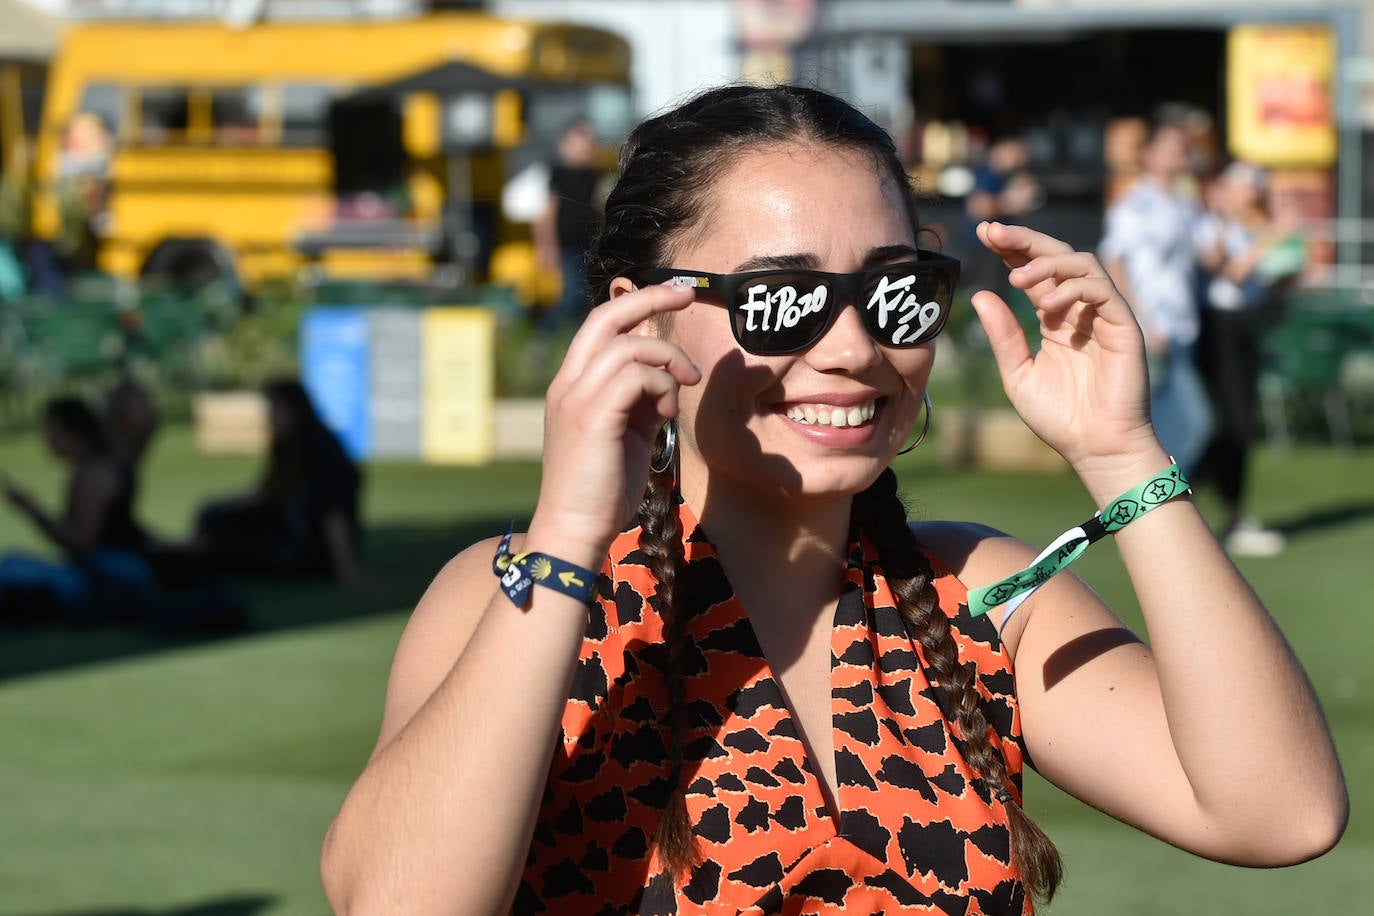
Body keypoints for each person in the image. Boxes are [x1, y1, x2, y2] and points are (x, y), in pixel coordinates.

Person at [319, 85, 1346, 913]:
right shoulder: (528, 595)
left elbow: (1279, 812)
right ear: (639, 317)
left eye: (895, 292)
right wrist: (568, 534)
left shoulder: (978, 598)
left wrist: (1122, 454)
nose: (852, 350)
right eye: (780, 301)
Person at [1195, 161, 1299, 557]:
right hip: (1218, 331)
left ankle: (1232, 514)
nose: (1251, 195)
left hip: (1241, 329)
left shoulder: (1243, 227)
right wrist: (1273, 235)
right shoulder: (1209, 225)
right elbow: (1230, 272)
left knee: (1236, 425)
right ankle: (1219, 515)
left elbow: (1260, 276)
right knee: (1222, 425)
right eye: (1244, 187)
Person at [1100, 121, 1212, 475]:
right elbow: (1114, 260)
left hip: (1181, 328)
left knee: (1167, 425)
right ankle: (1163, 501)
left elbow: (1208, 257)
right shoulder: (1135, 205)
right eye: (1170, 146)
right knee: (1191, 422)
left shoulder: (1184, 204)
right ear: (1149, 155)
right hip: (1154, 329)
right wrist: (1141, 321)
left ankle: (1160, 505)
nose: (1180, 153)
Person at [187, 378, 364, 585]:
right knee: (215, 516)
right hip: (284, 531)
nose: (269, 418)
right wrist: (221, 505)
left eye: (275, 411)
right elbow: (269, 492)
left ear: (295, 410)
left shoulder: (322, 450)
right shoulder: (289, 445)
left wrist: (346, 568)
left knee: (221, 548)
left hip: (305, 550)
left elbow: (334, 513)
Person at [0, 396, 157, 626]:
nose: (46, 440)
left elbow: (81, 542)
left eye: (49, 431)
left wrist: (33, 512)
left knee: (11, 569)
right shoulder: (110, 459)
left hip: (109, 577)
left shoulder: (92, 476)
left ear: (70, 431)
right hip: (117, 570)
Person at [532, 119, 600, 334]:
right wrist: (546, 247)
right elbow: (546, 214)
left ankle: (580, 340)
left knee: (585, 298)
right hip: (566, 246)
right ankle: (543, 337)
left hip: (586, 244)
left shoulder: (591, 174)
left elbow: (595, 206)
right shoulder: (559, 174)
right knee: (569, 296)